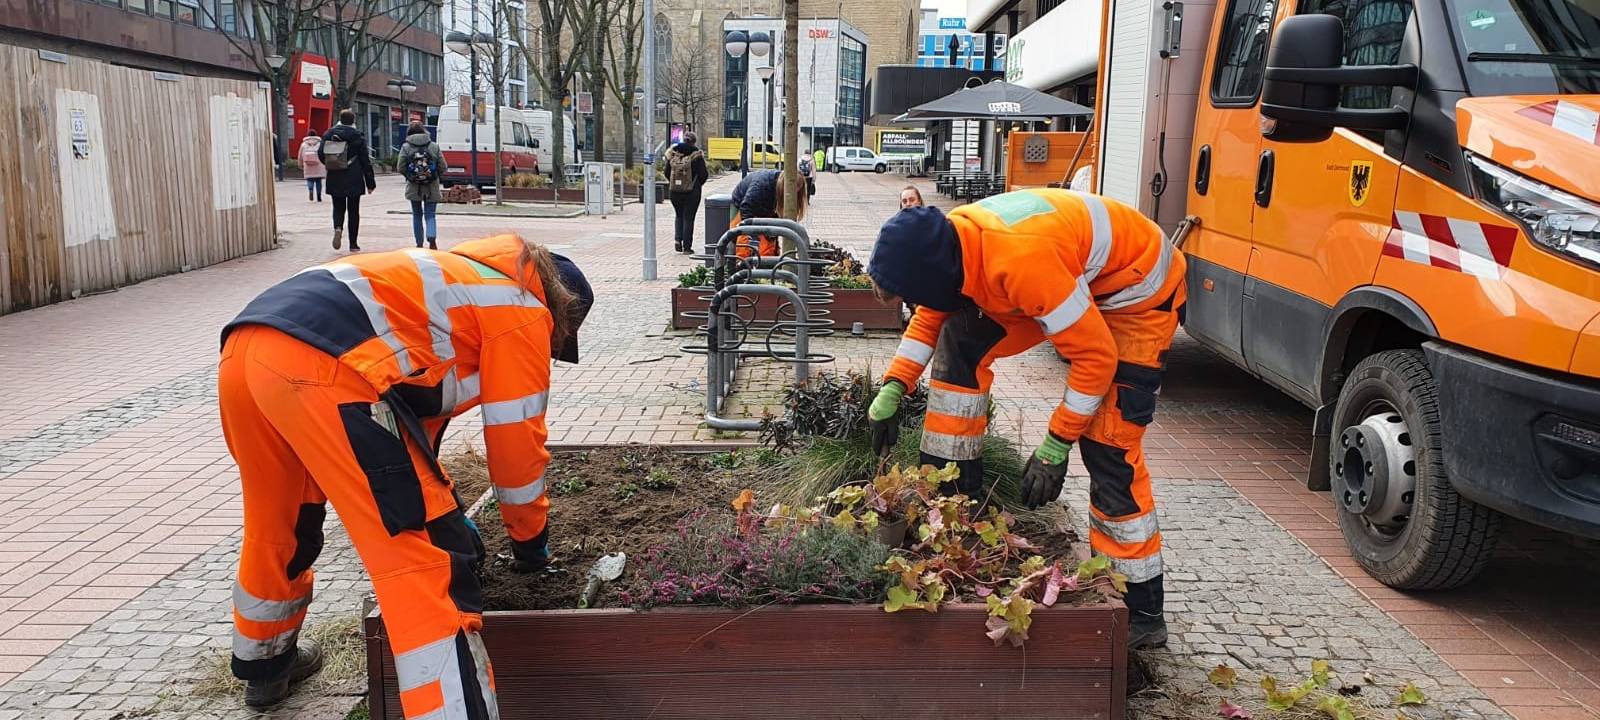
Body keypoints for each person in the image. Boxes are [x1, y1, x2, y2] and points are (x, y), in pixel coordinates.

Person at [219, 232, 593, 715]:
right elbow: (515, 448)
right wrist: (529, 542)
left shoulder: (454, 287)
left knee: (282, 521)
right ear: (559, 314)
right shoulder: (521, 310)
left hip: (246, 352)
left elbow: (412, 435)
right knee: (425, 562)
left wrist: (446, 502)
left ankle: (266, 663)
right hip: (326, 366)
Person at [864, 189, 1185, 651]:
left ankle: (1141, 609)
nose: (914, 305)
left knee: (1109, 446)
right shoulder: (951, 243)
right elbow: (933, 312)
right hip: (1070, 278)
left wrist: (1056, 444)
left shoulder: (1022, 263)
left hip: (1137, 293)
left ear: (934, 274)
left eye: (911, 297)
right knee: (960, 341)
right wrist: (895, 384)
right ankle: (953, 508)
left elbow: (1096, 358)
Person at [320, 109, 376, 252]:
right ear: (353, 121)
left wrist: (331, 164)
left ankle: (338, 228)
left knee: (338, 207)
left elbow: (321, 153)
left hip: (335, 175)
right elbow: (365, 160)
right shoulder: (357, 136)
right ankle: (353, 244)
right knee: (353, 210)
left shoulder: (329, 134)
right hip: (354, 176)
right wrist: (370, 183)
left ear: (340, 119)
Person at [728, 168, 807, 258]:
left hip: (766, 208)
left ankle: (766, 262)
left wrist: (772, 234)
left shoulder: (784, 189)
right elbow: (746, 208)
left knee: (768, 245)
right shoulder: (761, 185)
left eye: (798, 189)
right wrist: (752, 235)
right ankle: (737, 261)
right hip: (743, 205)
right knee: (742, 241)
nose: (796, 192)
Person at [400, 121, 444, 250]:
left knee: (417, 214)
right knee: (430, 214)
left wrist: (410, 176)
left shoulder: (406, 147)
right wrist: (434, 176)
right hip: (432, 187)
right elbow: (443, 166)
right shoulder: (434, 146)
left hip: (414, 187)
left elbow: (400, 167)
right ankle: (431, 238)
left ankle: (419, 243)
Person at [664, 131, 709, 254]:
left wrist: (676, 183)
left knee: (679, 215)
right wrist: (696, 184)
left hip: (675, 192)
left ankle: (678, 240)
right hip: (692, 192)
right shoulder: (697, 155)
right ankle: (687, 247)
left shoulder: (673, 153)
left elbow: (667, 172)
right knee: (689, 218)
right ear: (694, 142)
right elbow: (704, 175)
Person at [298, 132, 326, 203]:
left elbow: (300, 155)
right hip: (319, 165)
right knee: (318, 181)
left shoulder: (303, 144)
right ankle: (319, 196)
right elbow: (323, 154)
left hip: (308, 165)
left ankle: (311, 190)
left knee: (310, 179)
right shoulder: (320, 144)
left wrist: (300, 164)